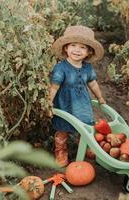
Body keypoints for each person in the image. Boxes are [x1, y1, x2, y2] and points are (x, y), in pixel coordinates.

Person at [49, 25, 106, 167]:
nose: (77, 50)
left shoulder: (87, 68)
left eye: (82, 47)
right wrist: (49, 102)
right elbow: (54, 86)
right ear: (66, 48)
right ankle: (61, 151)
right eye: (73, 45)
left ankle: (85, 145)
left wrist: (100, 97)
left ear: (88, 52)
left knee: (85, 125)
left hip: (82, 104)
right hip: (65, 103)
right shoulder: (61, 68)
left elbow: (93, 84)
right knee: (62, 128)